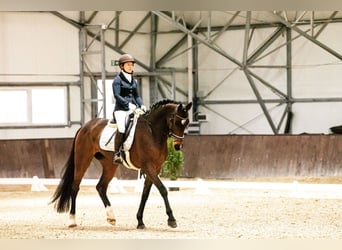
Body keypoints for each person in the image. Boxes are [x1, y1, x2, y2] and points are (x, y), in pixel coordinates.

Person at [112, 53, 146, 164]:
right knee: (122, 128)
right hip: (121, 110)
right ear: (122, 66)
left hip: (133, 108)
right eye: (128, 65)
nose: (131, 67)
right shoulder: (117, 80)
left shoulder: (134, 81)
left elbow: (137, 96)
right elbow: (117, 96)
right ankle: (117, 153)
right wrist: (128, 104)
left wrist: (141, 104)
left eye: (132, 65)